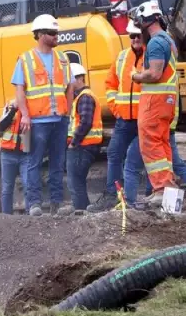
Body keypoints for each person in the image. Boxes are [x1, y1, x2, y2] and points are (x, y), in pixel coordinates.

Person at [12, 14, 73, 217]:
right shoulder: (25, 59)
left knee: (58, 163)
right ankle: (34, 204)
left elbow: (69, 88)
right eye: (52, 33)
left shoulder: (63, 58)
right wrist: (26, 116)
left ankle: (57, 203)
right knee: (33, 163)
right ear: (39, 35)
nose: (57, 36)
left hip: (59, 120)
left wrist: (68, 113)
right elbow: (20, 91)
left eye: (57, 32)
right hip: (37, 122)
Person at [87, 20, 144, 213]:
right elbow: (110, 84)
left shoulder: (153, 56)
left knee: (139, 158)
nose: (135, 39)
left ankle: (150, 193)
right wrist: (115, 108)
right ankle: (112, 195)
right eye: (132, 36)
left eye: (138, 35)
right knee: (114, 153)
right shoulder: (122, 58)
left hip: (144, 119)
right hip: (124, 118)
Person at [130, 0, 179, 205]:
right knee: (162, 144)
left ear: (145, 20)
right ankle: (170, 197)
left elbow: (155, 73)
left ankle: (162, 188)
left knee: (150, 142)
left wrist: (136, 76)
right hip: (166, 102)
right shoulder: (168, 40)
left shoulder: (156, 42)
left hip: (155, 101)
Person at [65, 63, 102, 211]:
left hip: (83, 146)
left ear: (78, 79)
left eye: (69, 80)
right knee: (77, 181)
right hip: (85, 145)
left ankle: (80, 210)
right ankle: (84, 210)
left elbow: (86, 122)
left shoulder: (84, 97)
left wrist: (74, 143)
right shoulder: (83, 97)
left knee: (75, 182)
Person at [0, 99, 29, 215]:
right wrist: (13, 109)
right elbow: (1, 125)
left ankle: (30, 216)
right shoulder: (10, 105)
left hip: (25, 154)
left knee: (28, 185)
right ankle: (6, 218)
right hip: (7, 153)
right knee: (6, 189)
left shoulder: (32, 105)